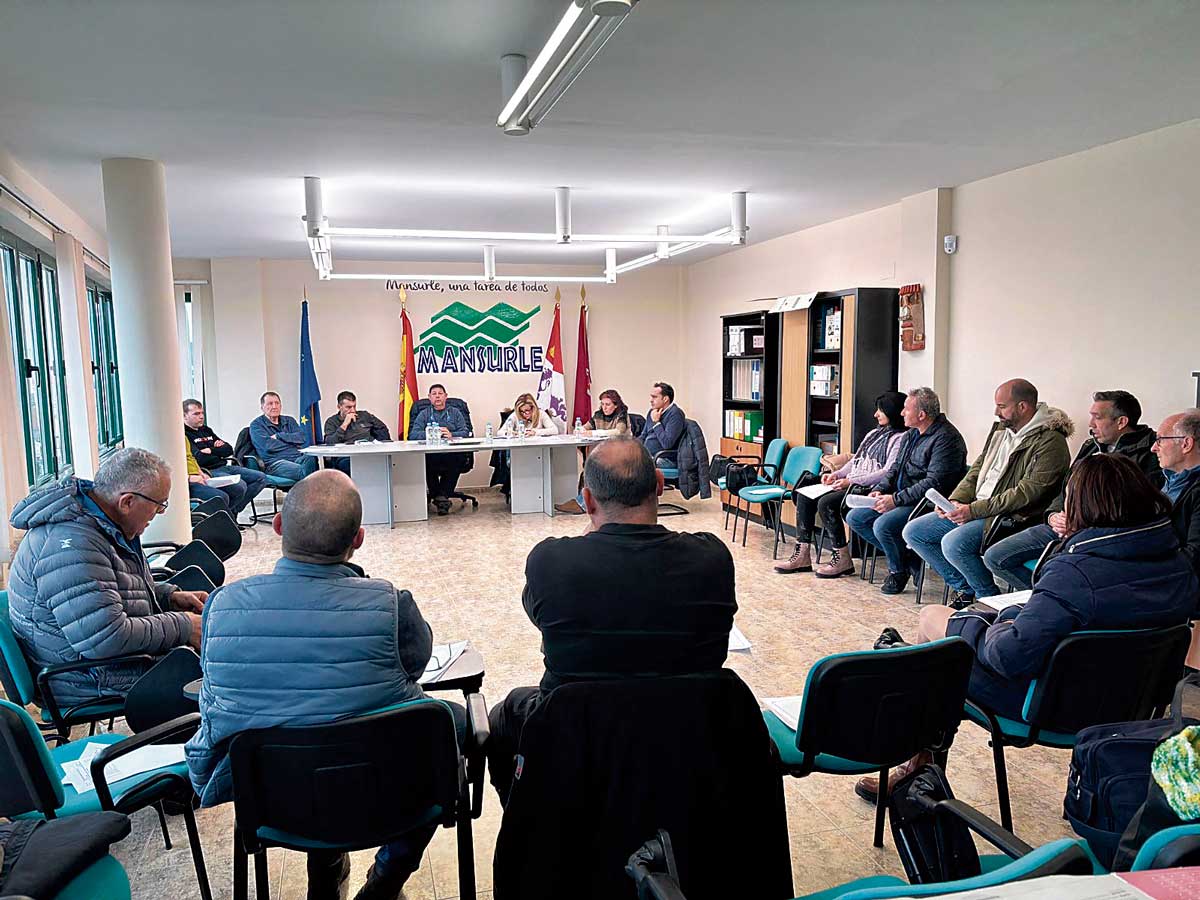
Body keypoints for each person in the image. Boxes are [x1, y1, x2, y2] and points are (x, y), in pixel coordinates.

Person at [185, 470, 465, 900]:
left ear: (278, 525)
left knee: (308, 739)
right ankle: (383, 884)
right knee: (453, 725)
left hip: (275, 802)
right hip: (391, 794)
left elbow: (216, 697)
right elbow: (418, 664)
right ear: (359, 540)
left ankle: (326, 872)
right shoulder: (390, 603)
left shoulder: (222, 608)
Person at [855, 454, 1198, 803]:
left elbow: (1007, 656)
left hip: (1047, 703)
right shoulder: (1179, 566)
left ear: (1086, 507)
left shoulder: (1077, 572)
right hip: (1130, 707)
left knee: (934, 631)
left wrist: (985, 623)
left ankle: (915, 769)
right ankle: (918, 763)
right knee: (948, 652)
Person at [485, 438, 736, 804]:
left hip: (577, 732)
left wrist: (593, 531)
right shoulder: (711, 558)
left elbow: (539, 614)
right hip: (687, 729)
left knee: (505, 714)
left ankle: (531, 821)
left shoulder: (551, 563)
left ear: (587, 501)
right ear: (659, 486)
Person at [7, 448, 207, 708]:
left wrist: (167, 597)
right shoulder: (72, 546)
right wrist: (184, 626)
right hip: (84, 678)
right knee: (222, 684)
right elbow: (105, 638)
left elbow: (107, 592)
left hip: (100, 664)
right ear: (127, 502)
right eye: (159, 506)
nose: (159, 514)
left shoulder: (100, 523)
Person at [903, 379, 1071, 603]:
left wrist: (973, 510)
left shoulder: (1050, 441)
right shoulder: (1002, 430)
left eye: (1002, 407)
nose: (996, 412)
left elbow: (1027, 493)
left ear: (1023, 407)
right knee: (914, 532)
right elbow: (978, 469)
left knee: (954, 544)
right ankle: (965, 588)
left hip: (1009, 516)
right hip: (978, 507)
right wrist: (955, 500)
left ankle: (987, 599)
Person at [984, 390, 1161, 590]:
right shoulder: (1090, 446)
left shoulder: (1149, 455)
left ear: (1121, 422)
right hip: (1062, 524)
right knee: (995, 557)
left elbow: (1134, 509)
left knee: (1058, 571)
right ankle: (1045, 600)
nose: (1090, 424)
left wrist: (1081, 523)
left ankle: (1054, 601)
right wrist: (1052, 515)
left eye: (1097, 417)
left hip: (1097, 535)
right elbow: (1065, 487)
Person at [845, 387, 968, 596]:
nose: (901, 413)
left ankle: (897, 570)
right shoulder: (911, 434)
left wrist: (895, 499)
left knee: (883, 525)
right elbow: (895, 468)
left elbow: (933, 483)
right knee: (855, 517)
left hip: (924, 502)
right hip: (900, 495)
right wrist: (880, 489)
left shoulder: (947, 438)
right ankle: (908, 558)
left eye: (906, 409)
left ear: (921, 415)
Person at [776, 391, 907, 577]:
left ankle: (842, 557)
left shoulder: (901, 438)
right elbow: (856, 461)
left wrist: (849, 481)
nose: (875, 414)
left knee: (826, 503)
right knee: (804, 494)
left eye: (880, 410)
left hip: (869, 488)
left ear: (892, 411)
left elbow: (886, 471)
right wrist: (835, 474)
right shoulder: (874, 434)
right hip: (850, 482)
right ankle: (802, 554)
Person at [183, 398, 268, 519]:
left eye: (202, 413)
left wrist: (211, 450)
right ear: (185, 416)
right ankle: (229, 517)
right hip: (209, 470)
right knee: (240, 485)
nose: (201, 416)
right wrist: (217, 450)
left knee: (260, 478)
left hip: (225, 465)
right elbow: (200, 458)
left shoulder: (206, 430)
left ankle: (232, 512)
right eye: (196, 414)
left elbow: (228, 449)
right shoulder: (184, 434)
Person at [408, 384, 471, 515]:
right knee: (425, 460)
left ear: (445, 396)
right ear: (429, 398)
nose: (437, 396)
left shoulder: (455, 412)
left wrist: (452, 434)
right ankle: (442, 498)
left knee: (458, 458)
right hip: (432, 454)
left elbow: (466, 432)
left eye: (440, 393)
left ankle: (440, 497)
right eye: (434, 394)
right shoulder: (423, 414)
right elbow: (412, 435)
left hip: (451, 453)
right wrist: (431, 433)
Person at [249, 391, 319, 481]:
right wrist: (292, 443)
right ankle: (309, 494)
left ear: (280, 406)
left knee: (312, 458)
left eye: (277, 403)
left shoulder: (289, 420)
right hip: (275, 462)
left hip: (297, 457)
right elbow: (268, 446)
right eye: (270, 404)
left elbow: (302, 438)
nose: (274, 406)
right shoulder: (256, 425)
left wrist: (279, 436)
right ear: (262, 407)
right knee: (304, 472)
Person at [322, 390, 392, 475]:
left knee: (385, 462)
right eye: (348, 407)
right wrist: (344, 425)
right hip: (347, 457)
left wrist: (380, 446)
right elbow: (330, 442)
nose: (353, 410)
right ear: (339, 407)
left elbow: (383, 430)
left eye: (354, 406)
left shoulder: (365, 416)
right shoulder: (331, 422)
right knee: (352, 465)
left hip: (368, 453)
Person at [184, 439, 245, 514]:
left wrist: (201, 473)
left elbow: (229, 449)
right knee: (221, 497)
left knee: (241, 488)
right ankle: (223, 521)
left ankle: (229, 518)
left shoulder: (185, 437)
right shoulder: (174, 437)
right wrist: (188, 478)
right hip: (186, 481)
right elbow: (199, 457)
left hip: (207, 472)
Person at [640, 381, 686, 467]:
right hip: (648, 456)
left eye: (654, 397)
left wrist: (657, 423)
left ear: (665, 399)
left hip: (664, 459)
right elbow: (643, 436)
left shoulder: (675, 414)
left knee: (634, 466)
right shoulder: (652, 412)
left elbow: (667, 443)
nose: (651, 400)